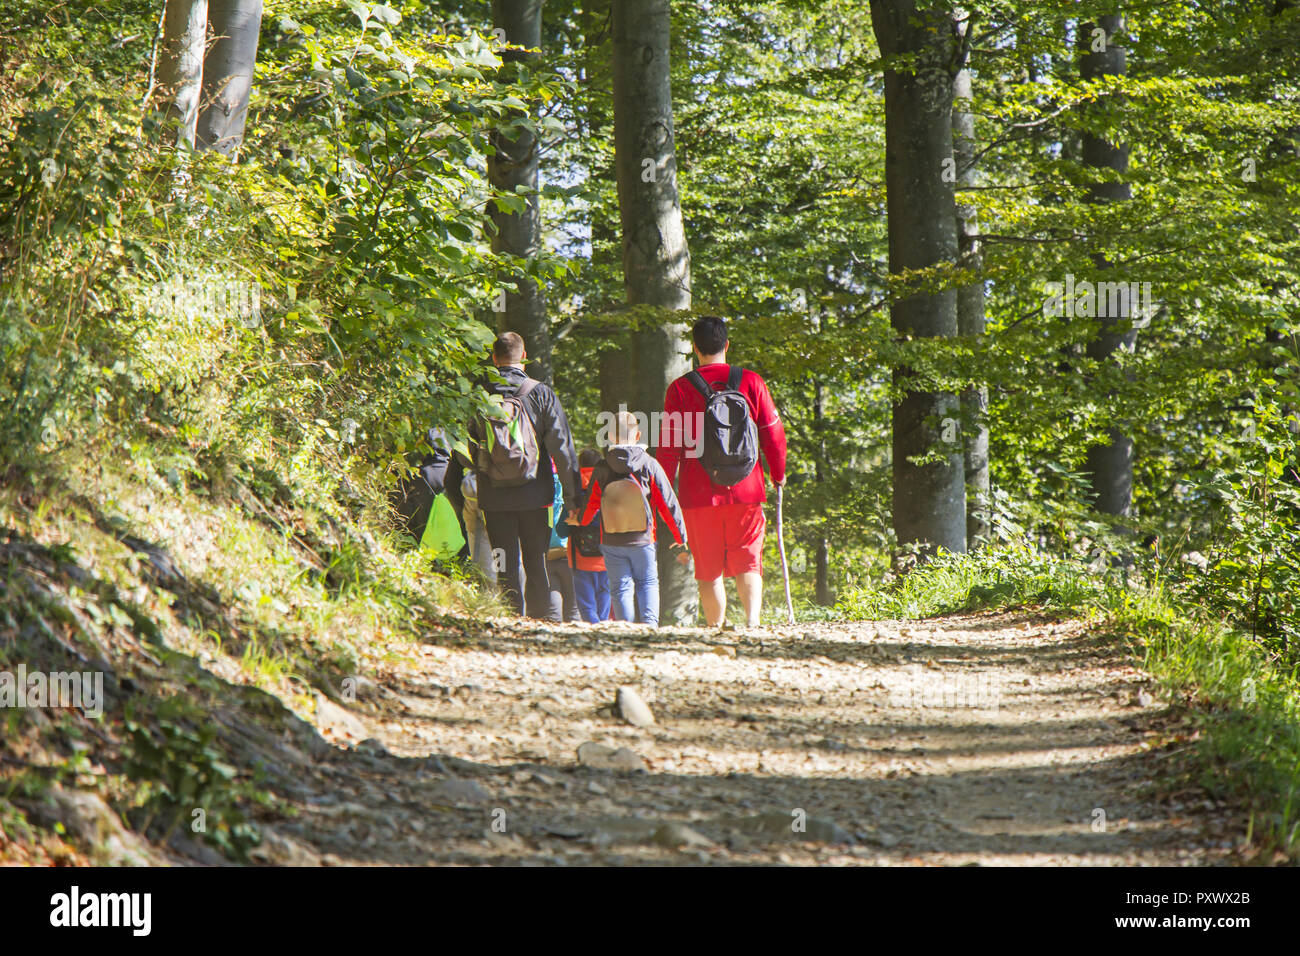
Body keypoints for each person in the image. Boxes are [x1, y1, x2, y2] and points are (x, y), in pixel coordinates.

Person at [658, 315, 787, 627]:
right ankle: (752, 625)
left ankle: (715, 630)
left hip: (698, 493)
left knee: (708, 570)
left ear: (695, 348)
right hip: (747, 488)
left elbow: (669, 448)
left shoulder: (680, 389)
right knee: (749, 563)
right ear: (727, 345)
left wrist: (663, 491)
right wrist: (777, 474)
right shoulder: (752, 381)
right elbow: (773, 434)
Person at [467, 332, 579, 620]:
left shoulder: (477, 393)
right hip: (534, 494)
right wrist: (572, 497)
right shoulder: (540, 393)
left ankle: (512, 620)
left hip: (493, 495)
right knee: (535, 559)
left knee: (505, 563)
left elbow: (466, 446)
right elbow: (562, 449)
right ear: (524, 357)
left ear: (494, 358)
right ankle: (541, 619)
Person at [574, 411, 689, 626]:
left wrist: (582, 520)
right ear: (638, 436)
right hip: (643, 538)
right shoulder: (649, 464)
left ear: (610, 437)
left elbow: (591, 502)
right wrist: (680, 534)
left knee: (620, 586)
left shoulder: (602, 467)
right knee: (647, 582)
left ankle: (625, 627)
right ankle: (649, 626)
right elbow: (668, 502)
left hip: (611, 539)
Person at [569, 448, 611, 623]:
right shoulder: (609, 483)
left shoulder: (572, 486)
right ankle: (602, 625)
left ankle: (592, 624)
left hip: (580, 555)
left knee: (585, 599)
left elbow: (563, 524)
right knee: (605, 593)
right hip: (607, 553)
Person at [546, 470, 580, 622]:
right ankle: (576, 633)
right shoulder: (567, 489)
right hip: (568, 552)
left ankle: (554, 626)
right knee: (573, 606)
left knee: (553, 589)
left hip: (546, 552)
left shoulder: (538, 489)